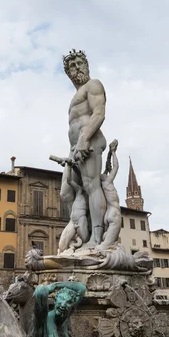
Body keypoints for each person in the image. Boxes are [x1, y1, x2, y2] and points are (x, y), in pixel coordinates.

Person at [61, 50, 107, 246]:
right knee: (66, 192)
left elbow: (99, 113)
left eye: (80, 63)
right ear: (68, 73)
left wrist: (84, 139)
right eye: (72, 65)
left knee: (91, 186)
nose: (77, 67)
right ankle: (83, 235)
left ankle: (96, 241)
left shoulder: (93, 85)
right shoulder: (76, 95)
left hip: (88, 141)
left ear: (87, 65)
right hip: (74, 148)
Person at [100, 140, 122, 250]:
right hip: (114, 213)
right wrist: (113, 152)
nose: (106, 174)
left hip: (107, 215)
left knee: (106, 242)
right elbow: (115, 167)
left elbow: (107, 170)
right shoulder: (107, 183)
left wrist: (108, 157)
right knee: (107, 246)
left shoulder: (103, 185)